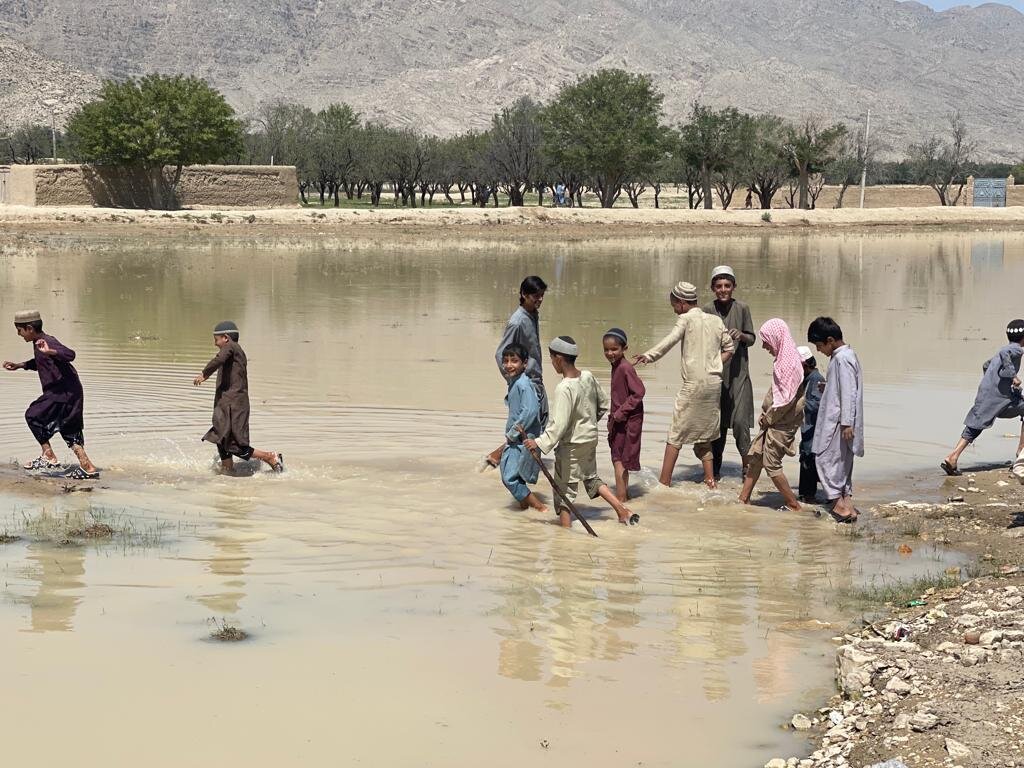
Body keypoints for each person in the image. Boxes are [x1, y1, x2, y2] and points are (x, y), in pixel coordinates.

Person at [524, 336, 638, 528]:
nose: (552, 364)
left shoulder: (564, 388)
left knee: (563, 490)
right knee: (591, 478)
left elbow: (558, 425)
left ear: (558, 359)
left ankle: (565, 535)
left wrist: (539, 443)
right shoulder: (587, 376)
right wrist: (589, 424)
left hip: (572, 445)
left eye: (552, 359)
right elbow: (602, 405)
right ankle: (622, 510)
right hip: (590, 438)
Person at [634, 281, 735, 489]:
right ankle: (710, 483)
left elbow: (670, 341)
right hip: (714, 384)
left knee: (675, 434)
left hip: (693, 385)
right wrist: (715, 365)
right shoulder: (716, 320)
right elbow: (730, 348)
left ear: (681, 303)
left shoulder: (685, 319)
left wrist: (648, 356)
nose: (674, 309)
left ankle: (664, 483)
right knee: (705, 436)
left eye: (673, 304)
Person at [3, 310, 99, 479]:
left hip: (62, 392)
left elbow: (70, 354)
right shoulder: (39, 343)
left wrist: (51, 351)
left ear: (30, 328)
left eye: (19, 330)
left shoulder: (47, 342)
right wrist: (20, 365)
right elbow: (40, 362)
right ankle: (88, 468)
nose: (19, 334)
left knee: (33, 415)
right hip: (70, 391)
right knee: (69, 429)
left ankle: (48, 456)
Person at [193, 321, 284, 474]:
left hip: (234, 405)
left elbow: (218, 359)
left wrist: (204, 374)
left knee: (236, 444)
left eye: (216, 339)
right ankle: (227, 469)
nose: (215, 344)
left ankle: (269, 457)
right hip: (227, 403)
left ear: (226, 338)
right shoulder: (234, 351)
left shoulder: (231, 347)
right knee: (220, 436)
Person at [737, 319, 806, 512]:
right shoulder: (784, 360)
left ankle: (794, 505)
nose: (764, 345)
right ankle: (744, 498)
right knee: (756, 457)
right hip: (773, 421)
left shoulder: (789, 365)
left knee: (771, 463)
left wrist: (768, 418)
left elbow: (786, 401)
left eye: (766, 340)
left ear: (776, 338)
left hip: (781, 424)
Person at [942, 319, 1024, 476]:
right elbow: (1004, 354)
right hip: (1000, 400)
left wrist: (994, 383)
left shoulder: (1006, 348)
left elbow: (986, 365)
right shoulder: (1016, 349)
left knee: (975, 426)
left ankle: (953, 457)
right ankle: (1020, 454)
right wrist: (1013, 377)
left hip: (986, 395)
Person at [487, 276, 548, 467]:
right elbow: (500, 354)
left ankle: (507, 457)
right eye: (535, 296)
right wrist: (514, 381)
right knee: (533, 422)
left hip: (535, 378)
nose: (539, 300)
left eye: (541, 296)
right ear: (523, 294)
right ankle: (504, 457)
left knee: (541, 420)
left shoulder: (532, 314)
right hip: (527, 381)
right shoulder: (517, 321)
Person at [807, 317, 863, 523]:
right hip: (841, 420)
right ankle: (847, 504)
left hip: (838, 422)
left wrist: (847, 422)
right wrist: (828, 387)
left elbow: (848, 392)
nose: (819, 350)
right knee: (842, 463)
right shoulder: (847, 355)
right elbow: (842, 387)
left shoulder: (841, 359)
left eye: (820, 346)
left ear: (830, 340)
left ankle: (839, 506)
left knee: (824, 459)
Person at [704, 265, 755, 480]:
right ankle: (713, 473)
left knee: (741, 423)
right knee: (717, 428)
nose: (723, 290)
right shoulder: (707, 310)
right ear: (713, 288)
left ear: (734, 287)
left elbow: (752, 339)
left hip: (738, 376)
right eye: (719, 286)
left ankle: (748, 471)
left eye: (727, 285)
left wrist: (741, 335)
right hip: (715, 377)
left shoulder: (742, 308)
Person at [498, 343, 548, 512]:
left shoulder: (523, 385)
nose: (509, 365)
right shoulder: (516, 382)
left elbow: (531, 410)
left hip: (522, 439)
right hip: (519, 439)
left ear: (525, 363)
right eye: (506, 361)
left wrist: (512, 433)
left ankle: (540, 509)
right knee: (516, 477)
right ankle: (524, 512)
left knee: (509, 478)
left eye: (514, 361)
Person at [603, 328, 645, 502]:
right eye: (606, 349)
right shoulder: (617, 366)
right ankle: (624, 495)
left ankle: (620, 499)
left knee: (618, 459)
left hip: (627, 421)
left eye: (614, 349)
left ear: (624, 348)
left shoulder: (624, 368)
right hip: (621, 419)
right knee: (619, 458)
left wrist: (620, 412)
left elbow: (639, 392)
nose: (610, 353)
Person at [797, 345, 825, 503]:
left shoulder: (816, 379)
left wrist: (799, 402)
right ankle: (806, 495)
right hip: (808, 429)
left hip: (815, 430)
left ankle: (809, 496)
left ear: (804, 365)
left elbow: (817, 405)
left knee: (809, 458)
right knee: (806, 457)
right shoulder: (807, 379)